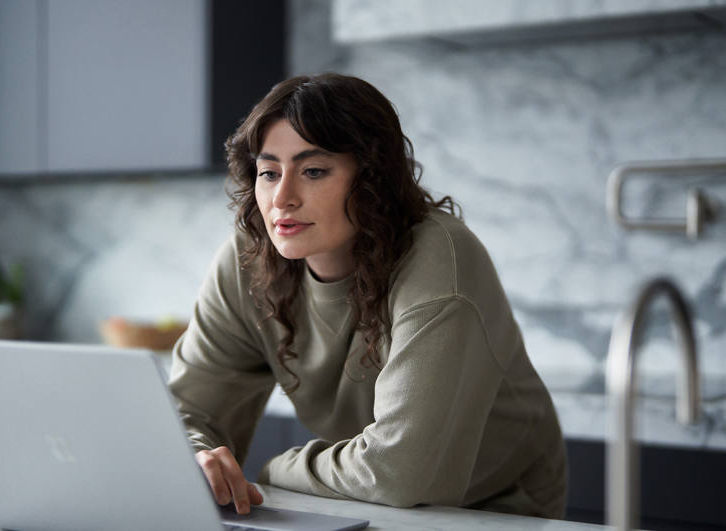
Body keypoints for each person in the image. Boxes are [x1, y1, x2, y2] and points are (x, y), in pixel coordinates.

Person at [168, 73, 568, 518]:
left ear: (372, 177)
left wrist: (279, 469)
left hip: (493, 509)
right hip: (361, 501)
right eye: (269, 172)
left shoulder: (440, 260)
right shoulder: (248, 260)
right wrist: (197, 457)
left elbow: (398, 470)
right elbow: (187, 413)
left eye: (314, 171)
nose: (282, 198)